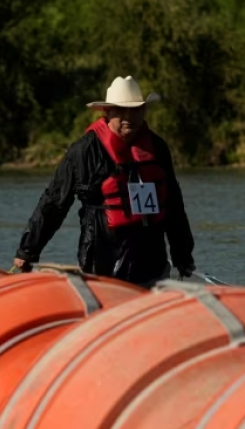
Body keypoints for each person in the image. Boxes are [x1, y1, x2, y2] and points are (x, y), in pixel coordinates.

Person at [12, 75, 196, 288]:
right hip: (102, 258)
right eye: (121, 110)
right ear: (107, 112)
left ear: (144, 110)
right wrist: (28, 250)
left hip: (150, 259)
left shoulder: (157, 148)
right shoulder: (84, 151)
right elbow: (54, 202)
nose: (129, 116)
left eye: (136, 109)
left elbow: (173, 204)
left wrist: (182, 255)